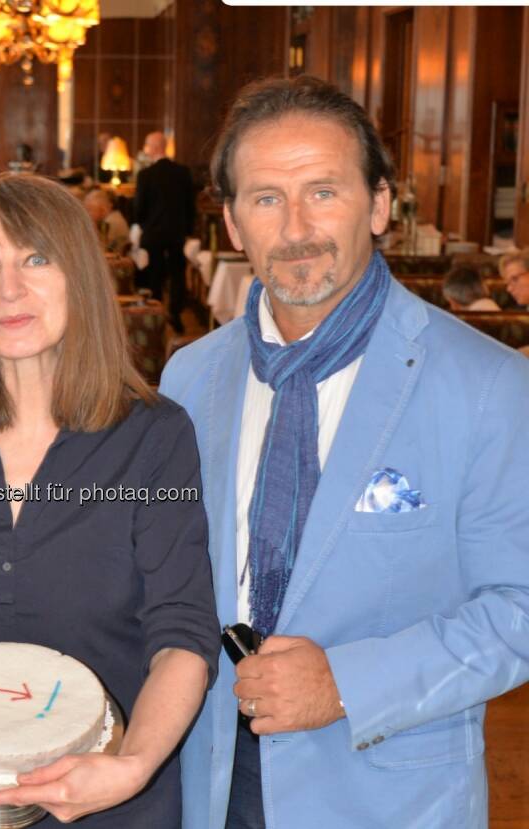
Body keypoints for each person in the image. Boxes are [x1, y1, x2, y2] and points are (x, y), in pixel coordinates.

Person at [161, 75, 529, 829]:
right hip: (208, 778)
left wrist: (345, 684)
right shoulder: (190, 376)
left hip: (385, 789)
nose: (297, 227)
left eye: (323, 191)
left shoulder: (490, 383)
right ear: (232, 224)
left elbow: (519, 609)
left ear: (382, 205)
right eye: (266, 198)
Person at [0, 173, 220, 827]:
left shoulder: (156, 437)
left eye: (35, 258)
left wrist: (132, 765)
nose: (9, 289)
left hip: (112, 799)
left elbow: (184, 636)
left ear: (78, 275)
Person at [133, 131, 196, 333]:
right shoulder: (183, 172)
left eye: (146, 145)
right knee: (177, 274)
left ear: (153, 148)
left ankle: (156, 313)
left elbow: (139, 208)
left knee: (155, 274)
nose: (145, 149)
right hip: (177, 233)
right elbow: (190, 205)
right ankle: (175, 313)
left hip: (153, 234)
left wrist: (140, 224)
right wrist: (188, 230)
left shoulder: (146, 175)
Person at [83, 187, 130, 254]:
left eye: (90, 209)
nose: (86, 213)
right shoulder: (114, 217)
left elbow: (102, 251)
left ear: (103, 210)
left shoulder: (109, 223)